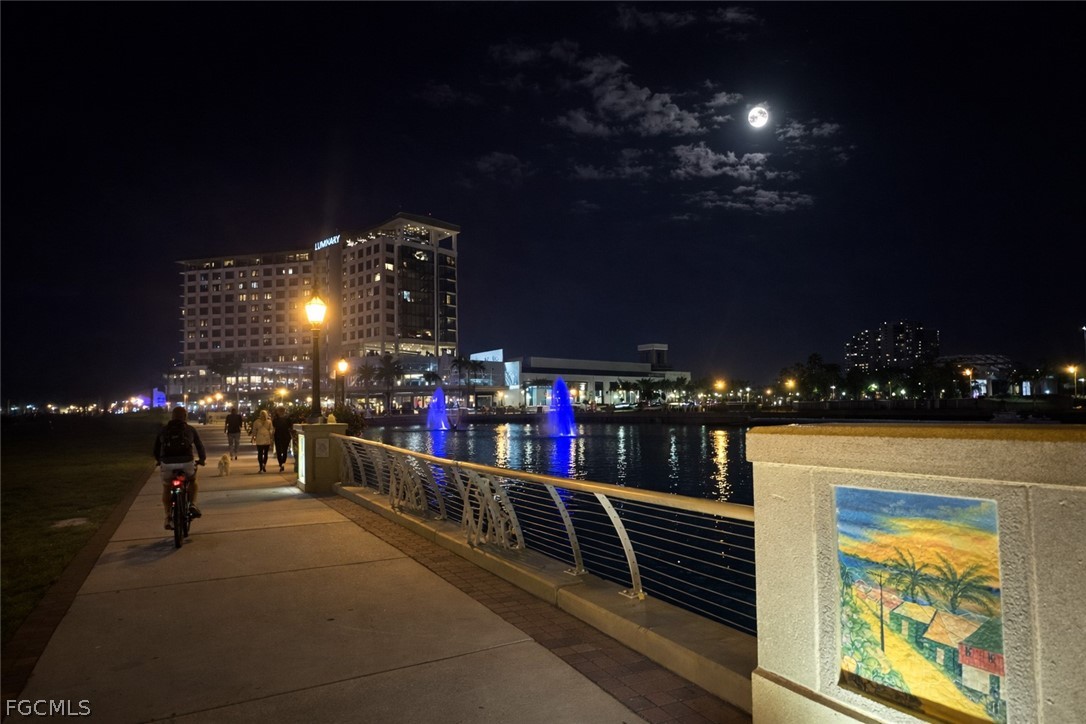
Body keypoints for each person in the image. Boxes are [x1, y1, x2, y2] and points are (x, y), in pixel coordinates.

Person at [154, 406, 206, 530]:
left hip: (167, 463)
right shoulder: (190, 429)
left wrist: (159, 460)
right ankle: (192, 505)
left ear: (172, 416)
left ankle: (168, 516)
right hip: (186, 462)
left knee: (167, 487)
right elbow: (199, 446)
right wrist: (202, 459)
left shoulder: (164, 430)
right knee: (192, 480)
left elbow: (156, 448)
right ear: (185, 417)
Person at [272, 407, 294, 473]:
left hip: (278, 435)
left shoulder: (276, 419)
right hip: (285, 436)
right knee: (284, 450)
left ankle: (281, 463)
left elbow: (274, 426)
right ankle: (282, 463)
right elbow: (290, 426)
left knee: (279, 451)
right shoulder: (287, 419)